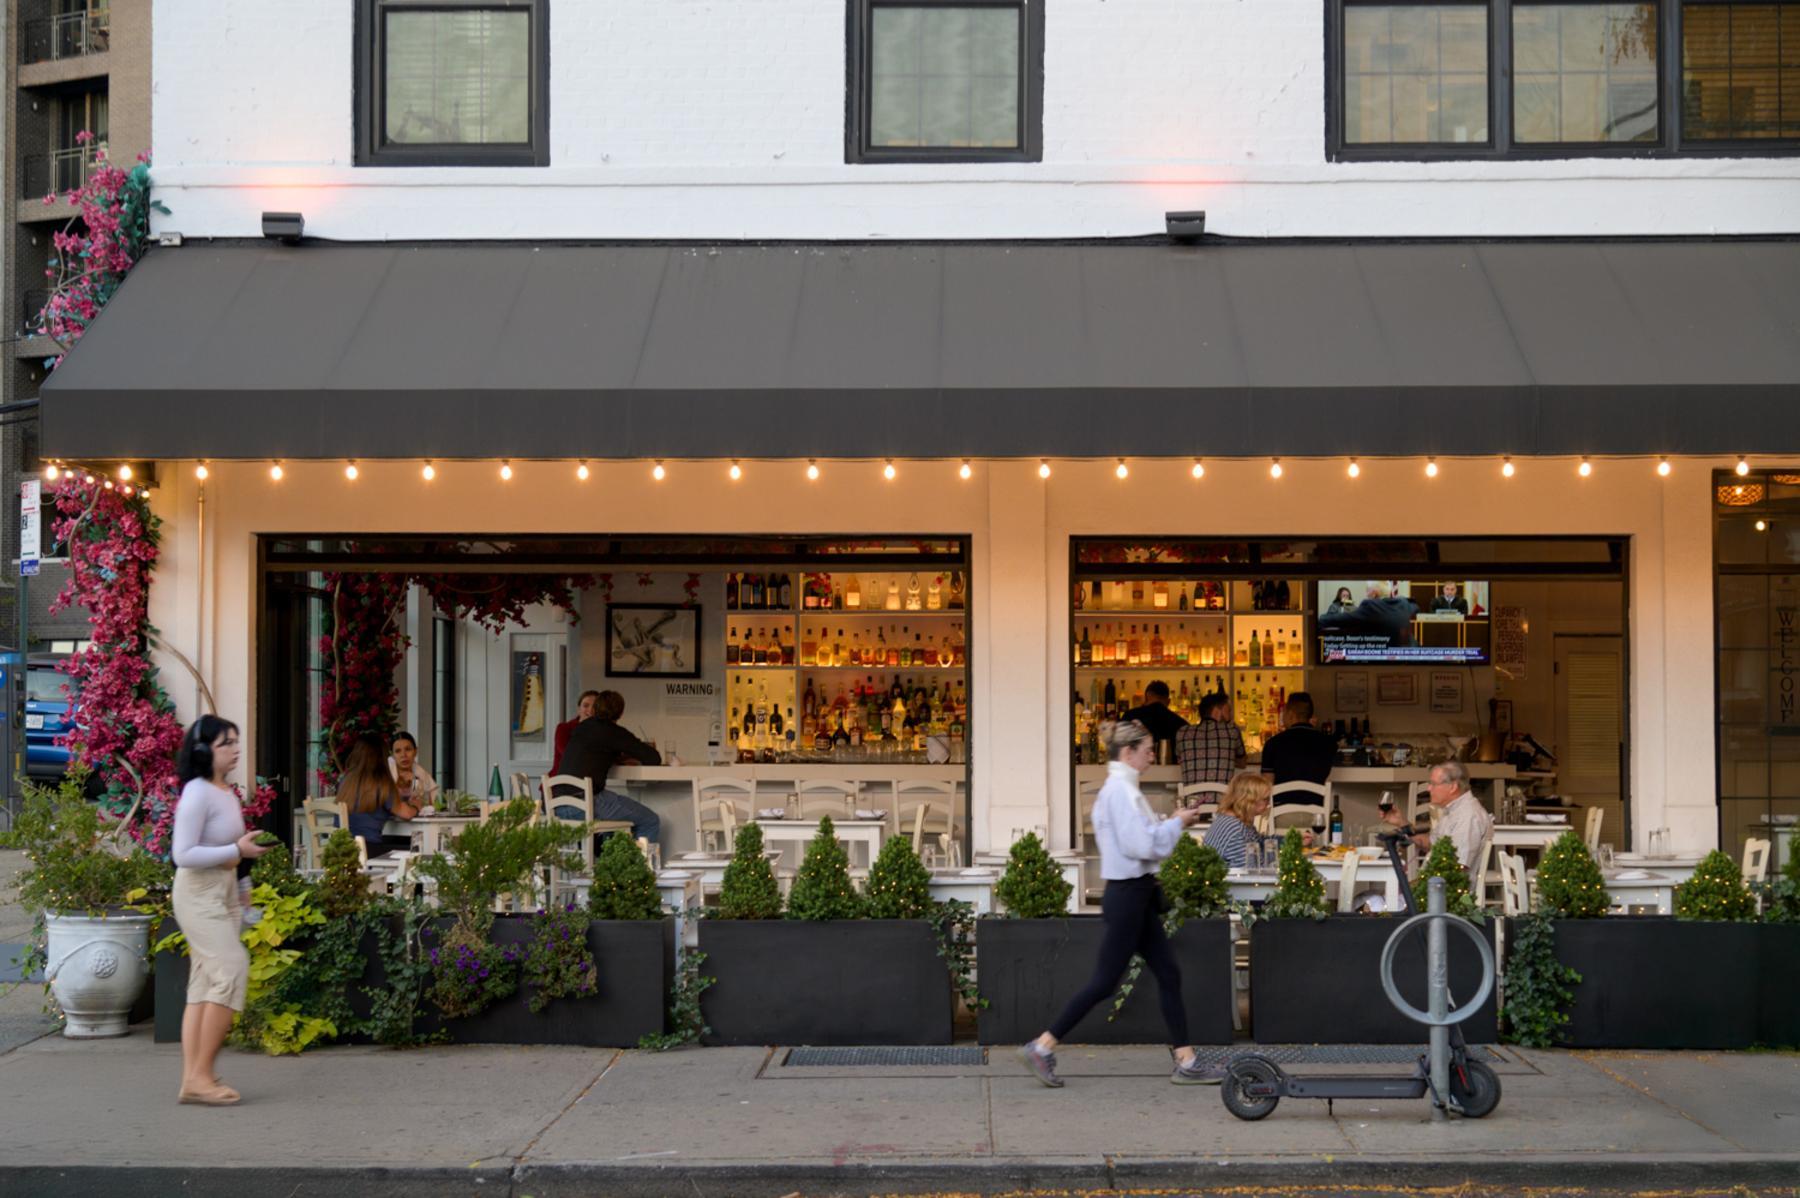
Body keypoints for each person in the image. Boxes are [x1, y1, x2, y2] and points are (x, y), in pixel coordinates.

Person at [1018, 720, 1217, 1089]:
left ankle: (1186, 1059)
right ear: (1129, 752)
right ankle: (1043, 1045)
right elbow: (1140, 846)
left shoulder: (1120, 790)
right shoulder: (1122, 793)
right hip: (1130, 895)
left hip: (1133, 894)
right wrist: (1175, 824)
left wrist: (1168, 823)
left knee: (1167, 973)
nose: (1153, 756)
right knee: (1105, 982)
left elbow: (1137, 839)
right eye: (1149, 750)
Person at [170, 715, 268, 1106]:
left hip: (224, 891)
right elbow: (183, 854)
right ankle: (200, 1077)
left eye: (236, 741)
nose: (235, 749)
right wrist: (236, 853)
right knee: (230, 969)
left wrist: (244, 887)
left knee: (205, 982)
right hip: (198, 893)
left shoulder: (225, 792)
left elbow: (234, 849)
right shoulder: (196, 792)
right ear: (202, 751)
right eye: (226, 743)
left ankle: (195, 1078)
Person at [555, 690, 663, 847]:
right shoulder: (615, 733)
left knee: (612, 826)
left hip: (559, 805)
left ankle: (613, 866)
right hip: (586, 804)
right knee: (650, 820)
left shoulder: (582, 727)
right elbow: (653, 758)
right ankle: (638, 870)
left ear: (595, 708)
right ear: (620, 713)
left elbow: (594, 752)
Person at [1380, 760, 1493, 871]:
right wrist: (1401, 822)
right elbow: (1430, 844)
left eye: (1433, 784)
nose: (1429, 788)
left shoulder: (1468, 816)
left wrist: (1419, 883)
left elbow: (1458, 867)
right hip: (1436, 883)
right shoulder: (1453, 811)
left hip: (1445, 887)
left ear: (1452, 787)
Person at [1203, 771, 1314, 868]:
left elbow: (1261, 841)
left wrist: (1293, 839)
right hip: (1235, 889)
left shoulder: (1234, 820)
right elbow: (1249, 874)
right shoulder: (1235, 829)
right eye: (1265, 799)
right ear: (1248, 800)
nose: (1268, 803)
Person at [340, 733, 418, 854]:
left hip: (342, 848)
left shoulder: (346, 780)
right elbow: (406, 813)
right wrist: (416, 806)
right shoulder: (381, 782)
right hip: (367, 849)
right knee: (417, 850)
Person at [1258, 692, 1336, 797]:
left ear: (1291, 715)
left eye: (1284, 712)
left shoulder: (1273, 744)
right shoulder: (1328, 743)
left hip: (1281, 810)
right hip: (1316, 811)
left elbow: (1266, 787)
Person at [1175, 691, 1247, 785]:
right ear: (1218, 709)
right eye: (1228, 710)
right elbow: (1242, 763)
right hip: (1223, 799)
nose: (1231, 715)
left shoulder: (1182, 732)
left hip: (1192, 799)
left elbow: (1180, 761)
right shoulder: (1232, 730)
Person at [1319, 582, 1419, 648]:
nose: (1366, 594)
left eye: (1367, 590)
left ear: (1374, 594)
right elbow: (1415, 606)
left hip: (1378, 658)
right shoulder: (1403, 603)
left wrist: (1321, 619)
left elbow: (1342, 619)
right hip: (1408, 656)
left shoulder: (1370, 606)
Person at [1121, 680, 1189, 751]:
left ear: (1146, 698)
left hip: (1134, 762)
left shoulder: (1130, 716)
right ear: (1168, 701)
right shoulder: (1181, 724)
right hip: (1170, 762)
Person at [551, 690, 601, 777]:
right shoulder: (564, 728)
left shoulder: (602, 731)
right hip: (558, 783)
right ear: (579, 709)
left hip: (586, 784)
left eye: (595, 707)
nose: (590, 710)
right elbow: (568, 754)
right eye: (586, 706)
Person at [388, 731, 440, 807]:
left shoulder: (421, 774)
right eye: (398, 751)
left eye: (408, 749)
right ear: (392, 755)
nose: (403, 755)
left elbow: (434, 804)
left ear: (415, 751)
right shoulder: (385, 774)